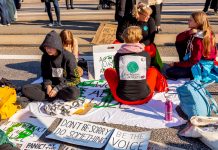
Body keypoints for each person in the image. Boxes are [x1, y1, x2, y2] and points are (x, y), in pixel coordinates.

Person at [105, 26, 167, 104]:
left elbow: (119, 75)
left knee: (108, 71)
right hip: (145, 97)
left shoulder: (118, 55)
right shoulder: (145, 54)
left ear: (124, 38)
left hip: (121, 97)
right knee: (153, 70)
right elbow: (146, 72)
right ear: (139, 38)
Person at [22, 30, 80, 101]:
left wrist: (57, 89)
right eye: (46, 47)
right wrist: (48, 86)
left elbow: (76, 80)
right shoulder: (45, 57)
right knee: (25, 88)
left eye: (51, 47)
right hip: (52, 84)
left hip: (64, 85)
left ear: (57, 46)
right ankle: (50, 95)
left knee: (74, 94)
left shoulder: (69, 57)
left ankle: (49, 96)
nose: (48, 50)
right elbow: (45, 75)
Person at [166, 11, 217, 79]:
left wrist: (176, 64)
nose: (188, 21)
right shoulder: (201, 32)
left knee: (170, 71)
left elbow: (194, 60)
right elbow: (178, 38)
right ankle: (184, 66)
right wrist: (189, 32)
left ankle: (192, 73)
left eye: (190, 20)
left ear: (197, 23)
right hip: (201, 62)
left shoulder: (198, 39)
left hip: (201, 66)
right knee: (180, 42)